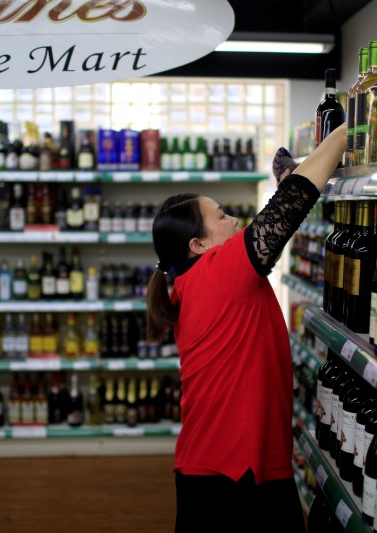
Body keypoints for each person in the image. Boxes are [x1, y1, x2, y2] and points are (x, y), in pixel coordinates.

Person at [146, 123, 347, 532]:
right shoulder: (219, 272)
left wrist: (290, 178)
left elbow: (275, 221)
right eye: (221, 216)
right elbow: (291, 206)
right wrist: (351, 128)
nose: (235, 219)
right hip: (236, 475)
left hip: (216, 467)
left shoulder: (193, 282)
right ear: (198, 245)